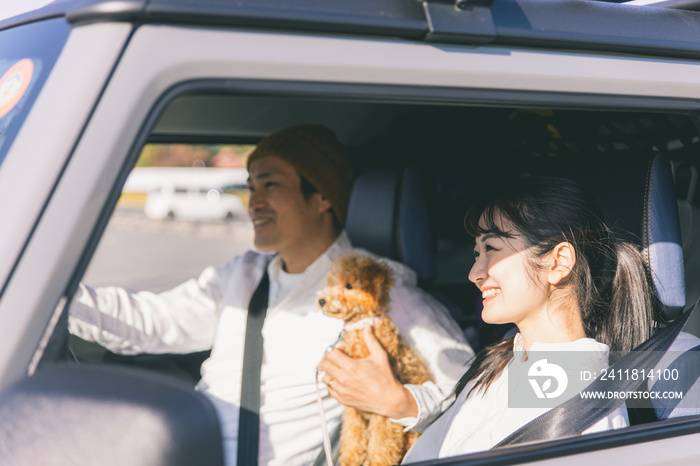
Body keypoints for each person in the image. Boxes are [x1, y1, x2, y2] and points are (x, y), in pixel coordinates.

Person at [68, 124, 474, 466]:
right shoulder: (242, 273)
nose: (253, 202)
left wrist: (400, 401)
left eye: (270, 184)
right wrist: (60, 302)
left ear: (323, 197)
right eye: (250, 186)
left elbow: (466, 386)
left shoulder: (375, 288)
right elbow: (150, 322)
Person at [402, 176, 656, 463]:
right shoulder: (502, 362)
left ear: (558, 263)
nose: (474, 273)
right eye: (477, 253)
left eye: (492, 249)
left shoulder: (579, 406)